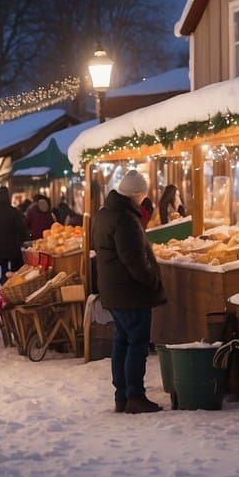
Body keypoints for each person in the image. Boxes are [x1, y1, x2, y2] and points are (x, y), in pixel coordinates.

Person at [93, 169, 167, 414]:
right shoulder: (125, 219)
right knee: (137, 343)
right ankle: (135, 395)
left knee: (122, 342)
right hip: (130, 292)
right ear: (136, 194)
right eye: (142, 193)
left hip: (114, 290)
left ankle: (122, 396)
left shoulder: (105, 214)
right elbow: (134, 260)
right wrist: (152, 281)